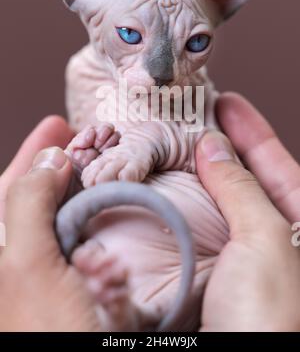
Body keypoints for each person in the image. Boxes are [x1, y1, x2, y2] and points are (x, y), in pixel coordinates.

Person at [0, 93, 299, 331]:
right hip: (135, 254)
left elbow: (185, 139)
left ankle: (126, 315)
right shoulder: (107, 99)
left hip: (198, 270)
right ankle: (124, 315)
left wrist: (135, 147)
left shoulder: (193, 108)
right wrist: (85, 167)